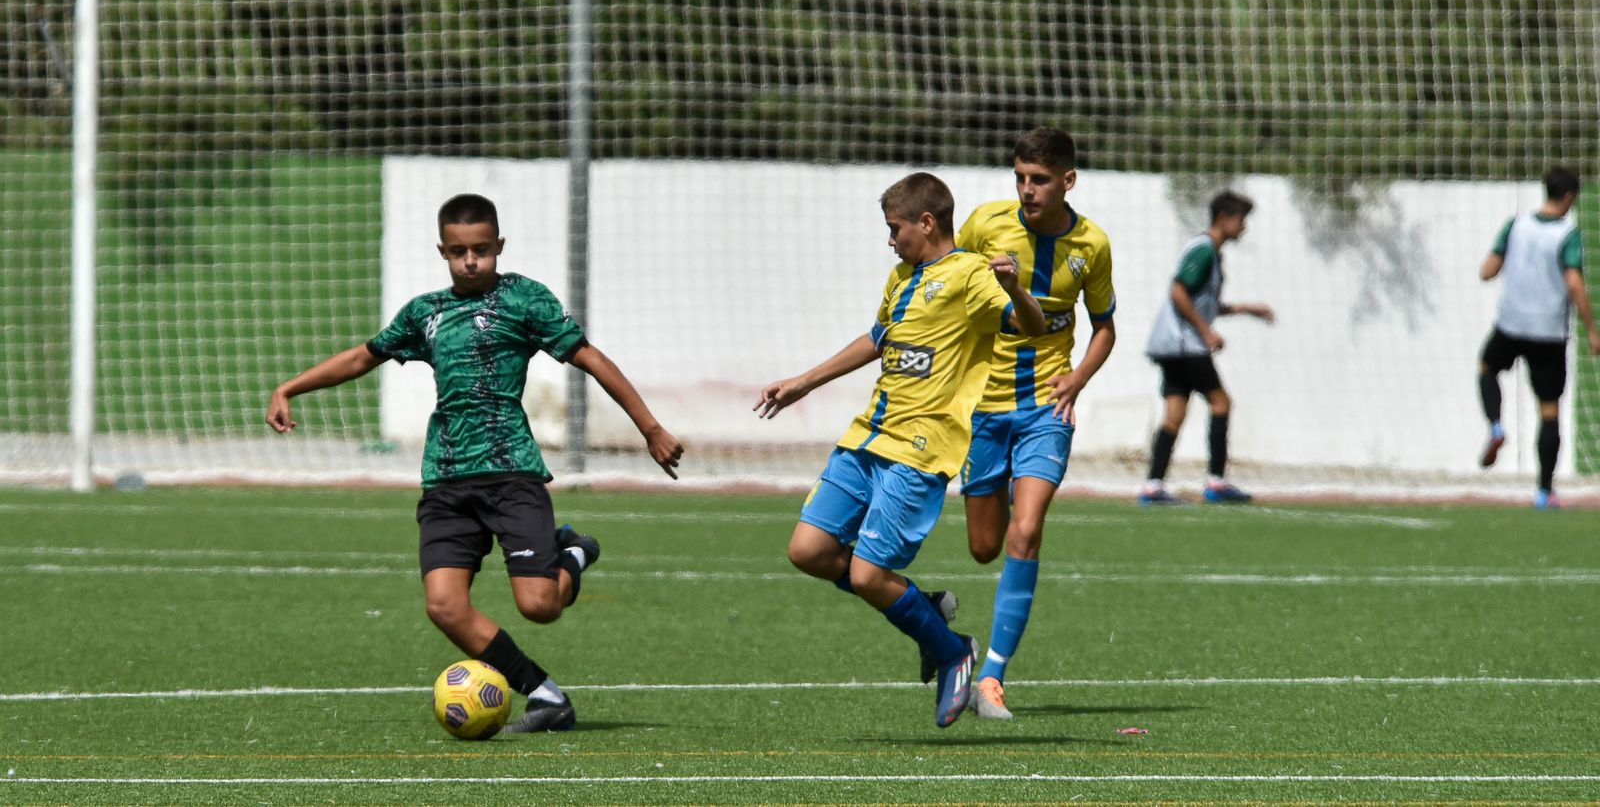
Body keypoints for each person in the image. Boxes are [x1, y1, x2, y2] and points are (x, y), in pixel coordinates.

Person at [266, 193, 682, 733]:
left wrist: (650, 428)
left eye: (481, 250)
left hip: (511, 475)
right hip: (446, 480)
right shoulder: (424, 313)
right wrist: (289, 388)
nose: (470, 261)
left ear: (499, 246)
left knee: (540, 606)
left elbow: (592, 359)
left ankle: (574, 552)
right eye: (459, 251)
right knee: (444, 606)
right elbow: (361, 357)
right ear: (442, 251)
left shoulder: (525, 299)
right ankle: (546, 697)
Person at [754, 172, 1046, 728]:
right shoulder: (901, 277)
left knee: (869, 577)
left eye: (895, 229)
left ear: (927, 222)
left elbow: (1029, 326)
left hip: (919, 448)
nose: (890, 240)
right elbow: (877, 337)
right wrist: (804, 382)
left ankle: (952, 652)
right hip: (868, 436)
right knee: (807, 550)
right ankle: (926, 613)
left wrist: (1014, 288)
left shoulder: (969, 275)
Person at [954, 126, 1117, 721]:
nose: (1027, 189)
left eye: (1040, 180)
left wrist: (1078, 379)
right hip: (983, 406)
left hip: (1047, 408)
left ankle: (992, 678)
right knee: (983, 548)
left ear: (1067, 180)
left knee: (1025, 533)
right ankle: (965, 648)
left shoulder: (1092, 245)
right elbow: (948, 287)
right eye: (1021, 177)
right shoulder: (984, 225)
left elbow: (1104, 327)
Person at [1140, 191, 1274, 505]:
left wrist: (1246, 309)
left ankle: (1153, 486)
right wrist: (1206, 332)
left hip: (1171, 346)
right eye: (1242, 220)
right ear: (1224, 219)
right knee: (1221, 402)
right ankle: (1216, 482)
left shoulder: (1209, 252)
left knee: (1174, 415)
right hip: (1186, 345)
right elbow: (1178, 292)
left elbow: (1202, 302)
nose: (1244, 227)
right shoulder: (1204, 250)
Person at [1477, 167, 1600, 509]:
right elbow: (1574, 283)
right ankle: (1545, 492)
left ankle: (1496, 425)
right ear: (1570, 197)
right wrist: (1592, 329)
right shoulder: (1567, 234)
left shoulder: (1515, 225)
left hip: (1511, 325)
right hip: (1548, 332)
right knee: (1548, 410)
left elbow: (1488, 271)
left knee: (1487, 368)